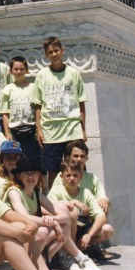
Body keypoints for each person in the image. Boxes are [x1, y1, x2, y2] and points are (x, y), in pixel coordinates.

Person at [6, 158, 78, 270]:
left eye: (34, 173)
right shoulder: (14, 191)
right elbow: (23, 217)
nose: (31, 177)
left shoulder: (36, 193)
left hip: (28, 233)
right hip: (12, 236)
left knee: (65, 228)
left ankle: (42, 266)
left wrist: (54, 220)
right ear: (18, 176)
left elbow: (63, 215)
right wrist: (51, 222)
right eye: (26, 173)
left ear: (39, 175)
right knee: (43, 232)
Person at [31, 36, 88, 189]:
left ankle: (80, 198)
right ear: (46, 55)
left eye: (56, 50)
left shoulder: (73, 73)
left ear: (62, 51)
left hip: (72, 130)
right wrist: (39, 129)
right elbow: (38, 105)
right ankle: (56, 203)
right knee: (54, 171)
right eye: (50, 52)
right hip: (51, 132)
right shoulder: (42, 75)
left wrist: (83, 129)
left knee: (77, 167)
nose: (54, 54)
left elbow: (81, 102)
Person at [51, 141, 113, 261]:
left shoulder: (91, 179)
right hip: (68, 219)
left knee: (104, 211)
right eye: (76, 156)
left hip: (87, 219)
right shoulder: (61, 178)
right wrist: (73, 204)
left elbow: (104, 200)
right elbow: (51, 204)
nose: (79, 159)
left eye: (82, 156)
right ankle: (72, 252)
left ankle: (89, 245)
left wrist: (102, 203)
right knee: (73, 213)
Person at [48, 161, 111, 270]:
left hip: (81, 229)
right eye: (68, 175)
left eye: (75, 175)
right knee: (72, 212)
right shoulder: (56, 191)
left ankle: (80, 249)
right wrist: (73, 202)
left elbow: (101, 216)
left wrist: (89, 235)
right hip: (63, 228)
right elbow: (49, 209)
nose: (72, 178)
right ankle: (67, 257)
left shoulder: (86, 192)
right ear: (62, 177)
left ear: (81, 176)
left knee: (107, 230)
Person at [0, 56, 40, 162]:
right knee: (17, 160)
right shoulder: (8, 89)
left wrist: (38, 129)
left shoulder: (33, 87)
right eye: (16, 69)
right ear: (11, 71)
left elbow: (37, 109)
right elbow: (5, 113)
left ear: (27, 70)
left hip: (31, 130)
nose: (19, 71)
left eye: (22, 69)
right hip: (15, 131)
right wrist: (7, 133)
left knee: (32, 159)